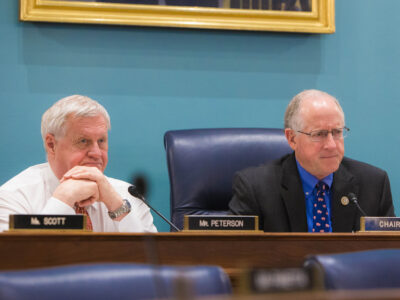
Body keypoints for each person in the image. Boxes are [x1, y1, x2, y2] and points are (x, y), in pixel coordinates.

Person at [229, 89, 394, 232]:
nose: (331, 145)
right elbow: (238, 256)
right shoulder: (255, 188)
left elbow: (387, 256)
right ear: (292, 138)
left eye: (337, 132)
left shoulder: (374, 184)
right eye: (319, 134)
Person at [0, 95, 157, 233]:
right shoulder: (13, 197)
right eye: (83, 141)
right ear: (51, 145)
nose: (96, 153)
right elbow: (19, 261)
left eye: (101, 141)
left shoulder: (128, 195)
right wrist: (63, 200)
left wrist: (118, 208)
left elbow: (151, 263)